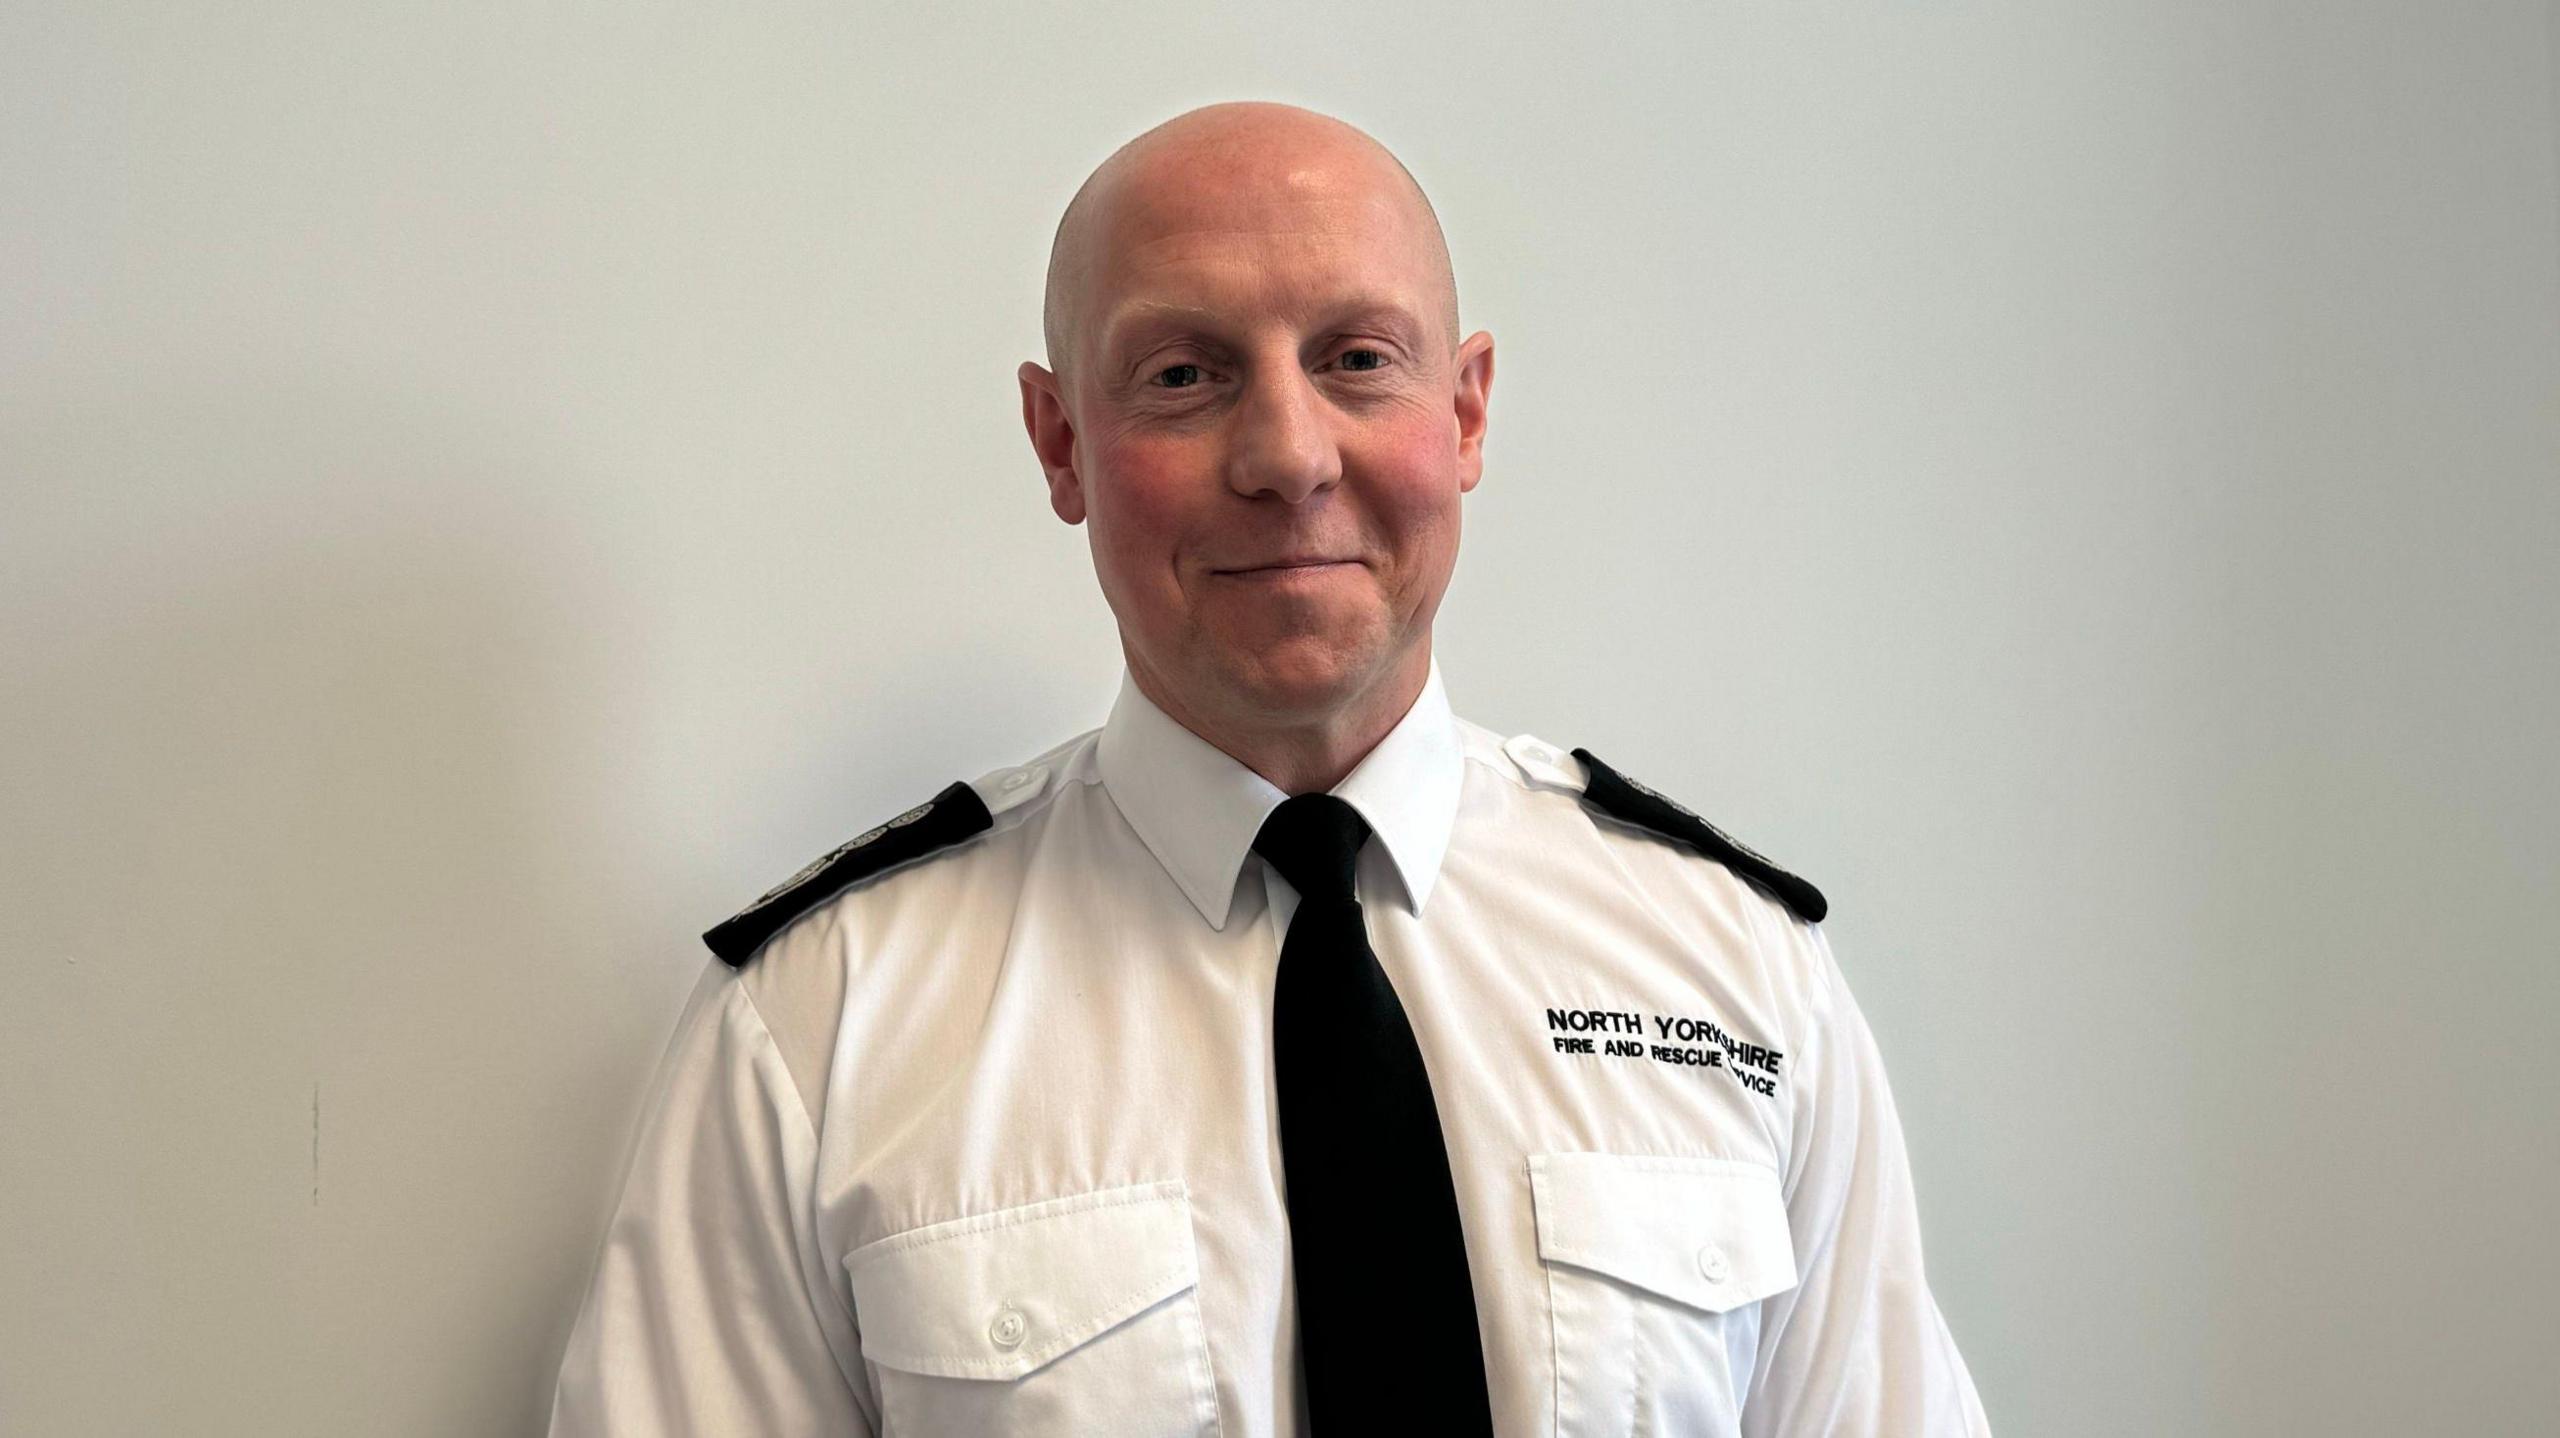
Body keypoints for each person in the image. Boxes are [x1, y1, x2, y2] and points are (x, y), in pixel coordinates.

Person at [547, 99, 1990, 1437]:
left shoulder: (1734, 969)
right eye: (1185, 375)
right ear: (1063, 443)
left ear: (1467, 411)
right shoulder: (823, 1025)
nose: (1289, 455)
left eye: (1359, 359)